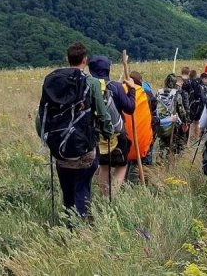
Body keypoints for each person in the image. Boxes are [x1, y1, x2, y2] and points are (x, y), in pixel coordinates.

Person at [42, 43, 112, 218]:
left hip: (59, 148)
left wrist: (49, 138)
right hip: (84, 148)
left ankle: (69, 226)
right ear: (85, 60)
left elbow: (41, 117)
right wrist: (108, 131)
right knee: (82, 187)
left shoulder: (54, 82)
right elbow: (103, 114)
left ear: (67, 59)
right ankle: (81, 229)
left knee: (67, 190)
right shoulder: (92, 83)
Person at [88, 55, 136, 197]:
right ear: (108, 69)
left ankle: (104, 197)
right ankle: (112, 197)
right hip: (117, 133)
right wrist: (132, 90)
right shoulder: (116, 86)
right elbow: (130, 108)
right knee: (122, 165)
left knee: (104, 166)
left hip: (97, 134)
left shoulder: (88, 87)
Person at [124, 70, 154, 184]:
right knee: (141, 162)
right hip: (142, 137)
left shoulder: (120, 92)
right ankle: (140, 183)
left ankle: (127, 184)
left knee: (126, 162)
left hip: (126, 137)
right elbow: (152, 118)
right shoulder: (144, 95)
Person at [155, 73, 188, 162]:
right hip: (173, 123)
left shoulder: (158, 92)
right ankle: (171, 162)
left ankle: (160, 160)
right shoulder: (176, 94)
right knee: (174, 144)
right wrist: (185, 122)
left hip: (160, 122)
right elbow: (181, 110)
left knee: (162, 142)